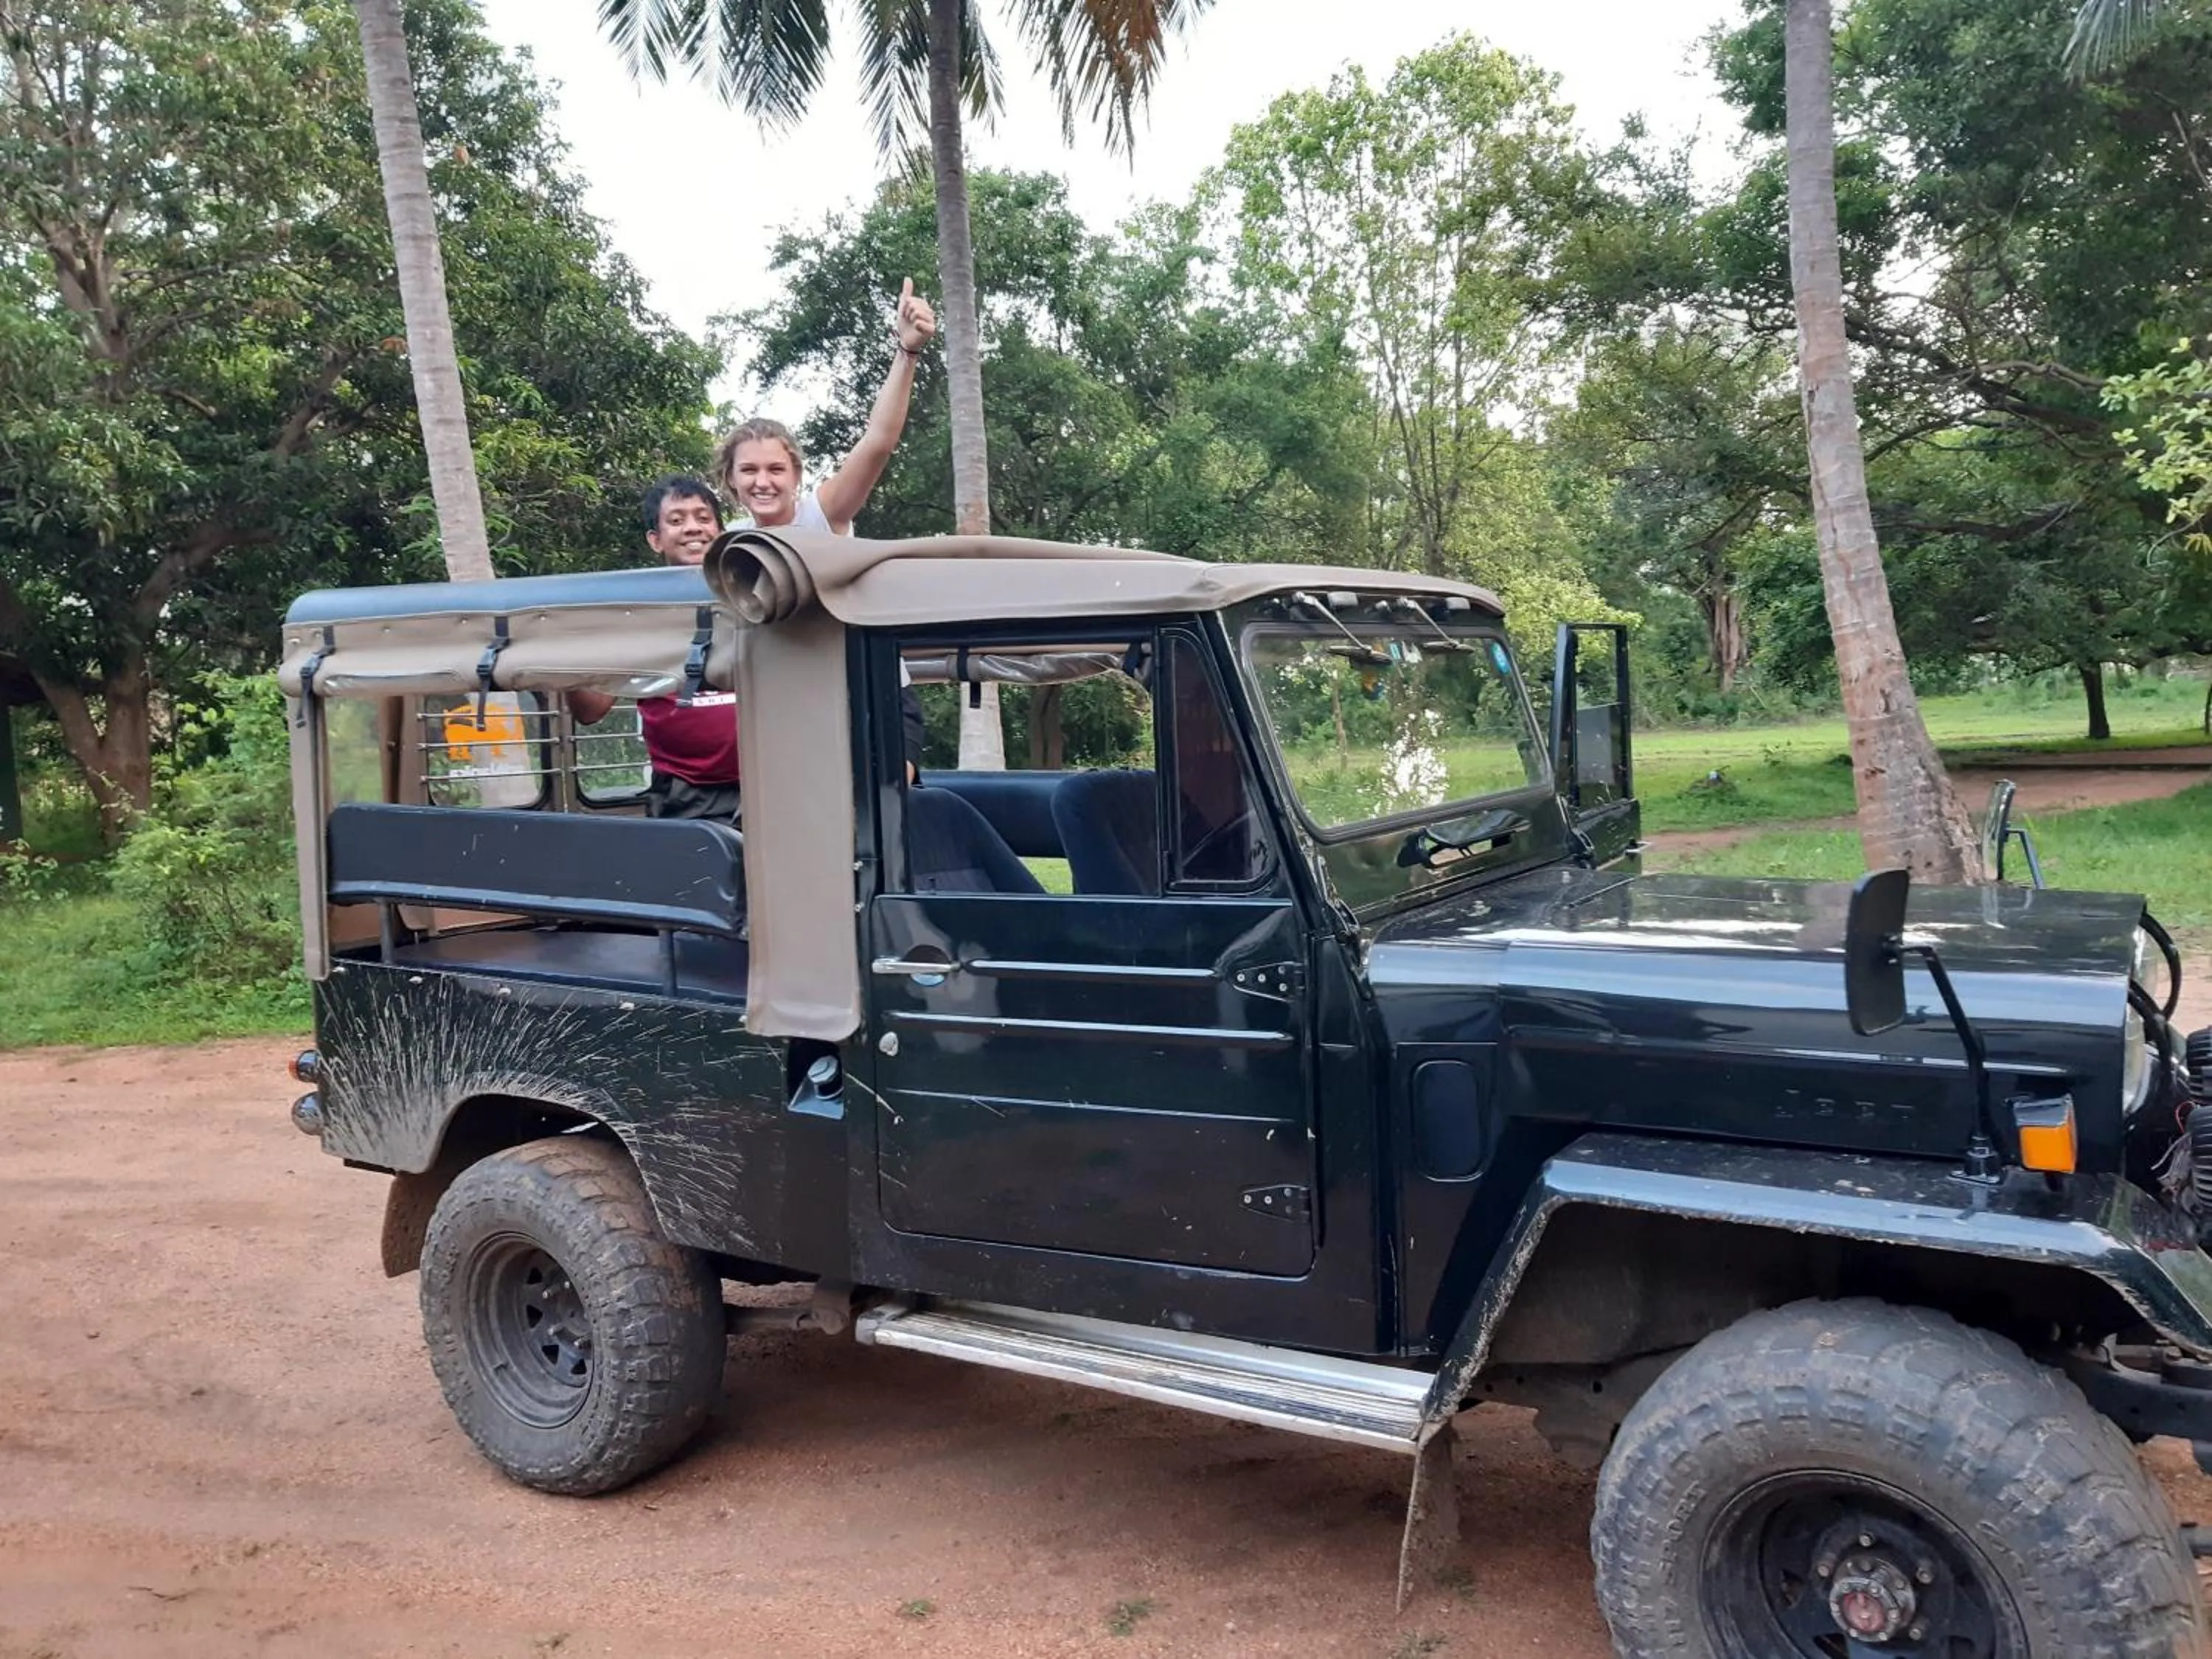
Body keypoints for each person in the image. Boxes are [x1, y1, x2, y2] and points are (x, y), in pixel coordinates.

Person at [568, 282, 938, 818]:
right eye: (750, 471)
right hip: (802, 709)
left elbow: (877, 444)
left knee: (879, 823)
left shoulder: (820, 517)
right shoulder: (732, 549)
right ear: (732, 482)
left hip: (870, 695)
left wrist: (906, 353)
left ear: (795, 476)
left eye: (775, 469)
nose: (763, 481)